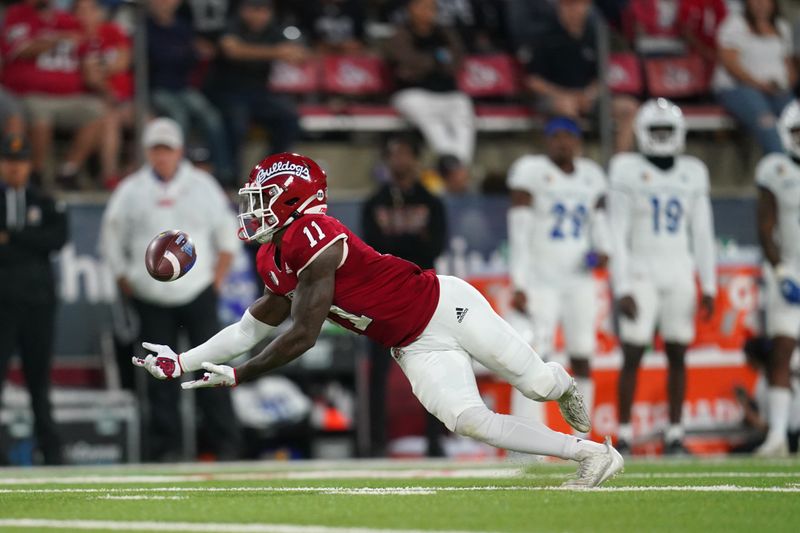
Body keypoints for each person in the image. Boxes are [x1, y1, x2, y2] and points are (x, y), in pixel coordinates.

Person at [133, 151, 624, 488]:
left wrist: (239, 375)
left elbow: (303, 335)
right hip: (412, 344)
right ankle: (591, 454)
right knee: (470, 421)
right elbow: (249, 328)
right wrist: (184, 359)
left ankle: (562, 384)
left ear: (291, 202)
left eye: (261, 200)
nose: (251, 210)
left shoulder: (314, 232)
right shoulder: (272, 257)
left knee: (536, 384)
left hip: (446, 308)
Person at [100, 118, 241, 461]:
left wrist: (216, 282)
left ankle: (225, 444)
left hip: (198, 293)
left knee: (211, 368)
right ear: (147, 152)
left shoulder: (203, 186)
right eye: (156, 149)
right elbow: (110, 239)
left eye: (167, 149)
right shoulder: (130, 190)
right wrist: (126, 280)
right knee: (159, 376)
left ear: (179, 150)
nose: (162, 156)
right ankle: (167, 448)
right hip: (150, 298)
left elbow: (227, 239)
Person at [608, 98, 717, 455]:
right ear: (641, 132)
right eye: (654, 130)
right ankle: (623, 435)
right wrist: (622, 285)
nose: (660, 136)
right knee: (633, 351)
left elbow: (702, 233)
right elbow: (616, 234)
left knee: (677, 352)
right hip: (641, 272)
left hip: (679, 271)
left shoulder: (694, 171)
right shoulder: (625, 168)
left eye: (665, 130)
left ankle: (674, 434)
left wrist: (709, 283)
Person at [506, 117, 610, 435]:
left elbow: (601, 227)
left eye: (569, 136)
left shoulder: (591, 176)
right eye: (557, 136)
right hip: (541, 280)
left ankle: (583, 436)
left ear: (578, 141)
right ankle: (528, 435)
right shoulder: (531, 171)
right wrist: (519, 282)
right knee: (534, 356)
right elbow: (519, 233)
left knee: (582, 355)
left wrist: (603, 250)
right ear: (547, 141)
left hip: (578, 280)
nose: (563, 143)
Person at [361, 135, 447, 456]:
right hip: (383, 293)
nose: (399, 160)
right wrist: (413, 241)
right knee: (378, 370)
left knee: (431, 366)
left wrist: (398, 244)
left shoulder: (432, 202)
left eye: (405, 153)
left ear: (416, 158)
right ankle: (375, 443)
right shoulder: (375, 202)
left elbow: (434, 247)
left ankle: (435, 441)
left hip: (421, 291)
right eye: (394, 154)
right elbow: (372, 249)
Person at [0, 134, 67, 465]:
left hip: (38, 304)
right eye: (9, 161)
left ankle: (51, 451)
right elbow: (44, 241)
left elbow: (57, 238)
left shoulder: (43, 199)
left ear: (29, 165)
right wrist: (31, 242)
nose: (15, 168)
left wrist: (11, 236)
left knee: (39, 381)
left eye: (21, 161)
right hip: (3, 305)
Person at [0, 0, 105, 187]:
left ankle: (68, 171)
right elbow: (20, 49)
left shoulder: (67, 20)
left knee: (97, 111)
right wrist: (57, 39)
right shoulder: (17, 15)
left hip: (69, 97)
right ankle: (37, 174)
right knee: (41, 117)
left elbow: (88, 52)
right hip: (31, 94)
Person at [525, 0, 638, 153]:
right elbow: (533, 81)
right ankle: (578, 165)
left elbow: (602, 77)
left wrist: (589, 95)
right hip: (554, 97)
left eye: (578, 5)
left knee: (628, 108)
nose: (574, 10)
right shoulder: (544, 34)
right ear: (560, 7)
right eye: (568, 5)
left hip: (587, 98)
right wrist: (565, 95)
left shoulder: (595, 34)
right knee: (567, 107)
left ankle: (619, 164)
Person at [209, 0, 306, 177]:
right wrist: (275, 52)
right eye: (254, 10)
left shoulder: (273, 30)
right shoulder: (232, 25)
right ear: (244, 11)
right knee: (237, 124)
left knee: (289, 119)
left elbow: (298, 53)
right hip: (228, 92)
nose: (259, 15)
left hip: (260, 94)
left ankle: (269, 172)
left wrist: (294, 53)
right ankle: (230, 176)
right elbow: (233, 50)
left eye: (264, 10)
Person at [753, 99, 800, 456]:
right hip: (790, 269)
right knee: (782, 349)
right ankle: (778, 436)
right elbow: (765, 227)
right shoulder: (775, 168)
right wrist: (781, 270)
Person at [146, 0, 233, 184]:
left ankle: (223, 172)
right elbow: (154, 60)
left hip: (183, 88)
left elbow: (192, 57)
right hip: (159, 89)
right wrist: (178, 53)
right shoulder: (146, 28)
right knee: (179, 117)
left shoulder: (183, 27)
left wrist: (188, 53)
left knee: (212, 117)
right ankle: (179, 171)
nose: (163, 4)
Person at [385, 0, 476, 166]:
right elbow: (406, 62)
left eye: (431, 8)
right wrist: (436, 61)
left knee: (463, 107)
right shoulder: (400, 34)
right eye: (422, 7)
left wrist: (425, 64)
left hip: (447, 92)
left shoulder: (445, 33)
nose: (427, 12)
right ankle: (451, 164)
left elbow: (457, 61)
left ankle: (460, 164)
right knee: (432, 122)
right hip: (412, 93)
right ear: (410, 9)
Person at [713, 0, 796, 154]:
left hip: (776, 90)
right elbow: (731, 65)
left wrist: (784, 85)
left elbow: (790, 67)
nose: (760, 4)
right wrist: (759, 85)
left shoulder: (782, 27)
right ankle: (780, 170)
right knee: (768, 125)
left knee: (796, 122)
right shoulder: (735, 24)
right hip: (738, 89)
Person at [74, 0, 134, 189]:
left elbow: (124, 61)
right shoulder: (77, 37)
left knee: (148, 122)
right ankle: (110, 176)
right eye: (81, 10)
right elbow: (90, 78)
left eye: (91, 9)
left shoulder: (111, 30)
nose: (86, 15)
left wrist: (100, 68)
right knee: (110, 122)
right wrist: (108, 90)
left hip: (125, 99)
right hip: (97, 99)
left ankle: (132, 174)